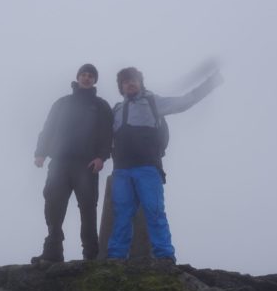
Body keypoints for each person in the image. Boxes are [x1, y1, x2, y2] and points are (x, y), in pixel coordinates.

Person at [107, 66, 222, 262]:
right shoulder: (116, 110)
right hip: (122, 170)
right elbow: (101, 134)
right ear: (121, 87)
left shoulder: (154, 102)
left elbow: (186, 101)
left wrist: (211, 82)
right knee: (122, 214)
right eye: (125, 81)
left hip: (148, 167)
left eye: (134, 79)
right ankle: (116, 258)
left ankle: (165, 256)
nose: (130, 83)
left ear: (140, 82)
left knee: (154, 211)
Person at [33, 64, 114, 262]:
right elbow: (48, 128)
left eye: (91, 76)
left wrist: (101, 157)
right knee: (53, 205)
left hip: (87, 165)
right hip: (59, 162)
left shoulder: (101, 106)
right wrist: (40, 153)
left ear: (95, 80)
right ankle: (52, 251)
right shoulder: (62, 103)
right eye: (83, 75)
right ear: (77, 78)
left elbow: (107, 135)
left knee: (88, 209)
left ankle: (91, 254)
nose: (86, 78)